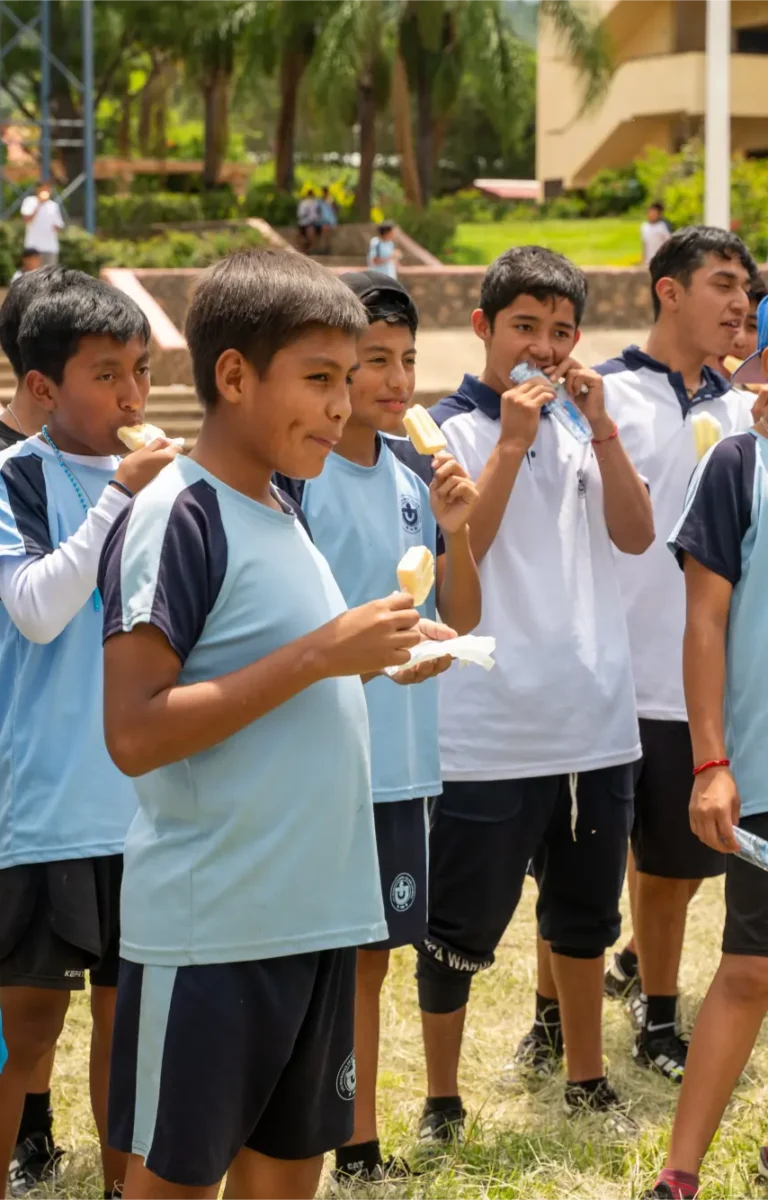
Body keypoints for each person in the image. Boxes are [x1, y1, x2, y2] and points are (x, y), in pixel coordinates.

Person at [98, 250, 430, 1200]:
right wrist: (323, 654)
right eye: (319, 378)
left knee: (288, 1179)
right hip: (213, 932)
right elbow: (134, 732)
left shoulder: (280, 508)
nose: (341, 405)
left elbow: (284, 677)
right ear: (235, 376)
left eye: (349, 378)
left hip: (316, 918)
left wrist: (375, 654)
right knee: (174, 1182)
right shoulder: (179, 514)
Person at [397, 245, 654, 1143]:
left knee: (584, 919)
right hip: (488, 726)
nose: (544, 348)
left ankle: (586, 1077)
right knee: (457, 928)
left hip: (595, 720)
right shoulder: (444, 431)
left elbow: (636, 535)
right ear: (483, 327)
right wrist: (511, 442)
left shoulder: (583, 424)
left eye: (561, 331)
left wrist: (603, 426)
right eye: (524, 328)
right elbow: (467, 547)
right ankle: (442, 1099)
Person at [278, 268, 481, 1191]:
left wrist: (457, 531)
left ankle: (355, 1143)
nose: (397, 381)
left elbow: (459, 616)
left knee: (371, 960)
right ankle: (308, 1135)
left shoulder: (414, 474)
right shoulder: (299, 480)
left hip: (402, 763)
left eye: (407, 360)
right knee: (319, 958)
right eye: (375, 361)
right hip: (321, 759)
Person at [0, 275, 181, 1200]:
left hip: (142, 802)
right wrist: (116, 499)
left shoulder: (165, 490)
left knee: (130, 1021)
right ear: (42, 388)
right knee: (26, 1026)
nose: (132, 396)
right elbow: (36, 610)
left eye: (140, 372)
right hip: (46, 804)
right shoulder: (17, 478)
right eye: (106, 375)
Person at [643, 297, 768, 1200]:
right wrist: (711, 764)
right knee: (751, 970)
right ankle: (679, 1176)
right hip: (760, 768)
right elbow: (704, 626)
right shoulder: (738, 465)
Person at [0, 265, 82, 1196]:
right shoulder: (15, 475)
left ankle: (40, 1132)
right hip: (25, 769)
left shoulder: (105, 472)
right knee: (24, 999)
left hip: (85, 774)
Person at [20, 183, 64, 267]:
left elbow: (59, 225)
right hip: (33, 247)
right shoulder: (29, 201)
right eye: (43, 189)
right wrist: (39, 204)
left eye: (48, 189)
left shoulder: (53, 205)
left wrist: (56, 227)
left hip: (50, 248)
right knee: (34, 273)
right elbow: (26, 219)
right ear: (37, 189)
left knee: (50, 273)